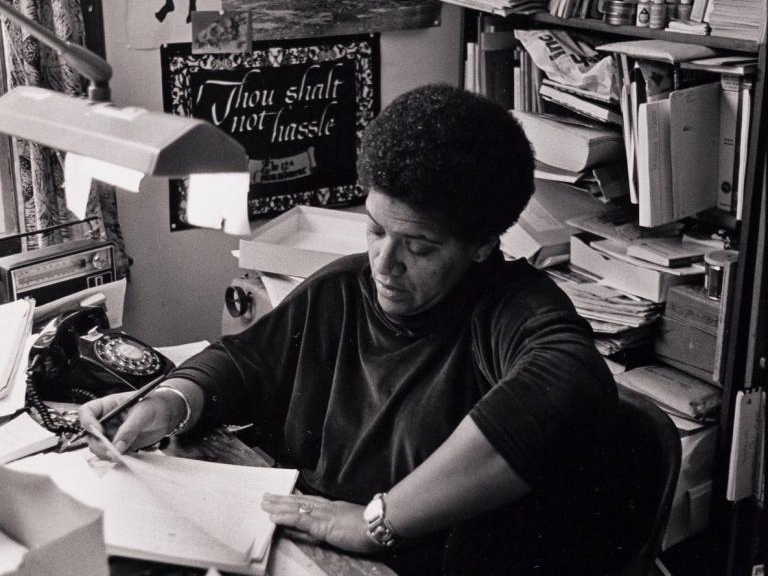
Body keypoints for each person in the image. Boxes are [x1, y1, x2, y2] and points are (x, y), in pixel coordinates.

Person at [81, 84, 626, 576]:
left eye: (420, 247)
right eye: (376, 229)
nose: (384, 264)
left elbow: (570, 385)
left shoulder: (513, 310)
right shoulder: (344, 287)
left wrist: (374, 522)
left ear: (482, 246)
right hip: (298, 545)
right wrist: (171, 402)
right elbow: (246, 361)